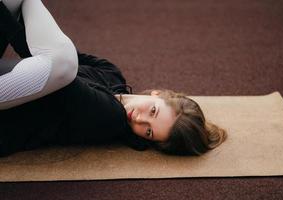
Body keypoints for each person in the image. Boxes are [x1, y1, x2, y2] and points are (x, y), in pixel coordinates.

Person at [0, 0, 227, 157]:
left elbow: (53, 64)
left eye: (148, 131)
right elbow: (37, 50)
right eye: (153, 112)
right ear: (158, 94)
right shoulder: (112, 74)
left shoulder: (109, 119)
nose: (138, 119)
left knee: (65, 65)